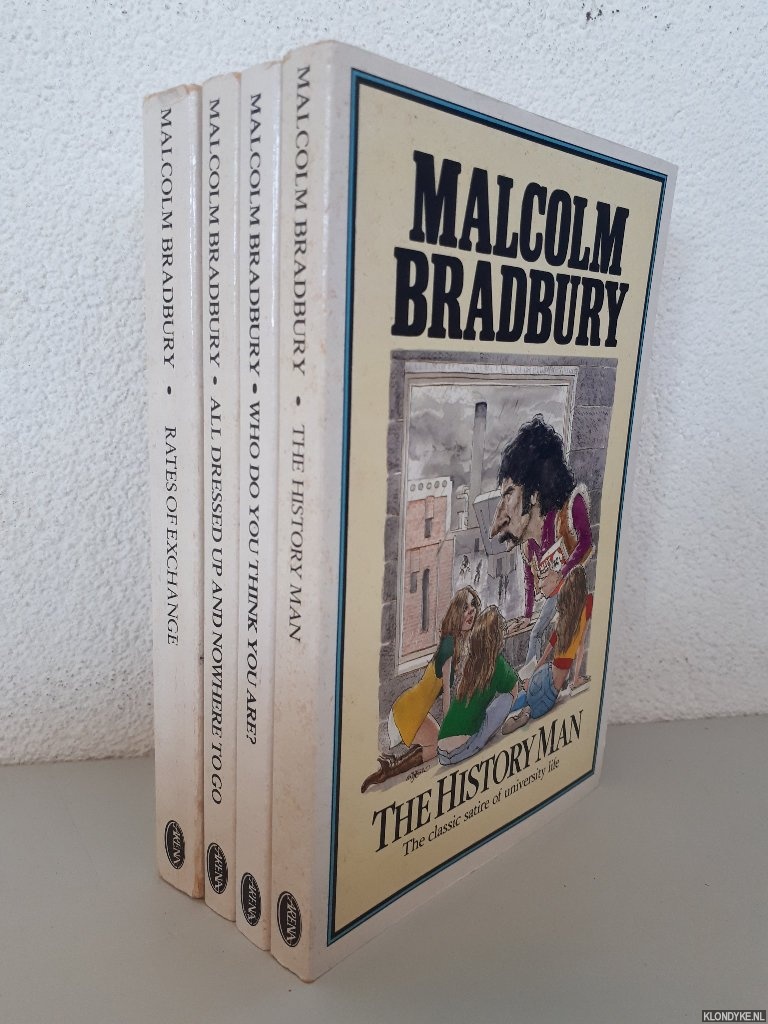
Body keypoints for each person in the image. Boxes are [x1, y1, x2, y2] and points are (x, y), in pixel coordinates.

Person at [490, 415, 593, 671]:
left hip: (573, 594)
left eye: (509, 494)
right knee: (538, 632)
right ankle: (532, 672)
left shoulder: (571, 507)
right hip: (555, 599)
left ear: (534, 494)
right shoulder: (528, 544)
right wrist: (526, 615)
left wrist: (562, 574)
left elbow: (586, 542)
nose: (498, 521)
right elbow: (529, 579)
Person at [361, 586, 480, 792]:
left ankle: (390, 767)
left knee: (434, 745)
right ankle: (390, 770)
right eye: (464, 607)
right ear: (456, 613)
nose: (471, 611)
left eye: (473, 605)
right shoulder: (450, 646)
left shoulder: (455, 642)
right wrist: (450, 729)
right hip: (408, 710)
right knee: (437, 745)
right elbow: (447, 696)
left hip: (414, 707)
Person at [502, 567, 592, 734]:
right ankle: (526, 712)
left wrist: (532, 676)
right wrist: (576, 679)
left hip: (544, 673)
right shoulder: (588, 603)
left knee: (524, 696)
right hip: (551, 690)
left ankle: (512, 709)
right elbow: (580, 647)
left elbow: (546, 653)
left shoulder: (563, 619)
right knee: (537, 708)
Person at [436, 606, 520, 766]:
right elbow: (513, 691)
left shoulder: (470, 662)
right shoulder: (496, 663)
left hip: (442, 754)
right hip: (462, 750)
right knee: (507, 698)